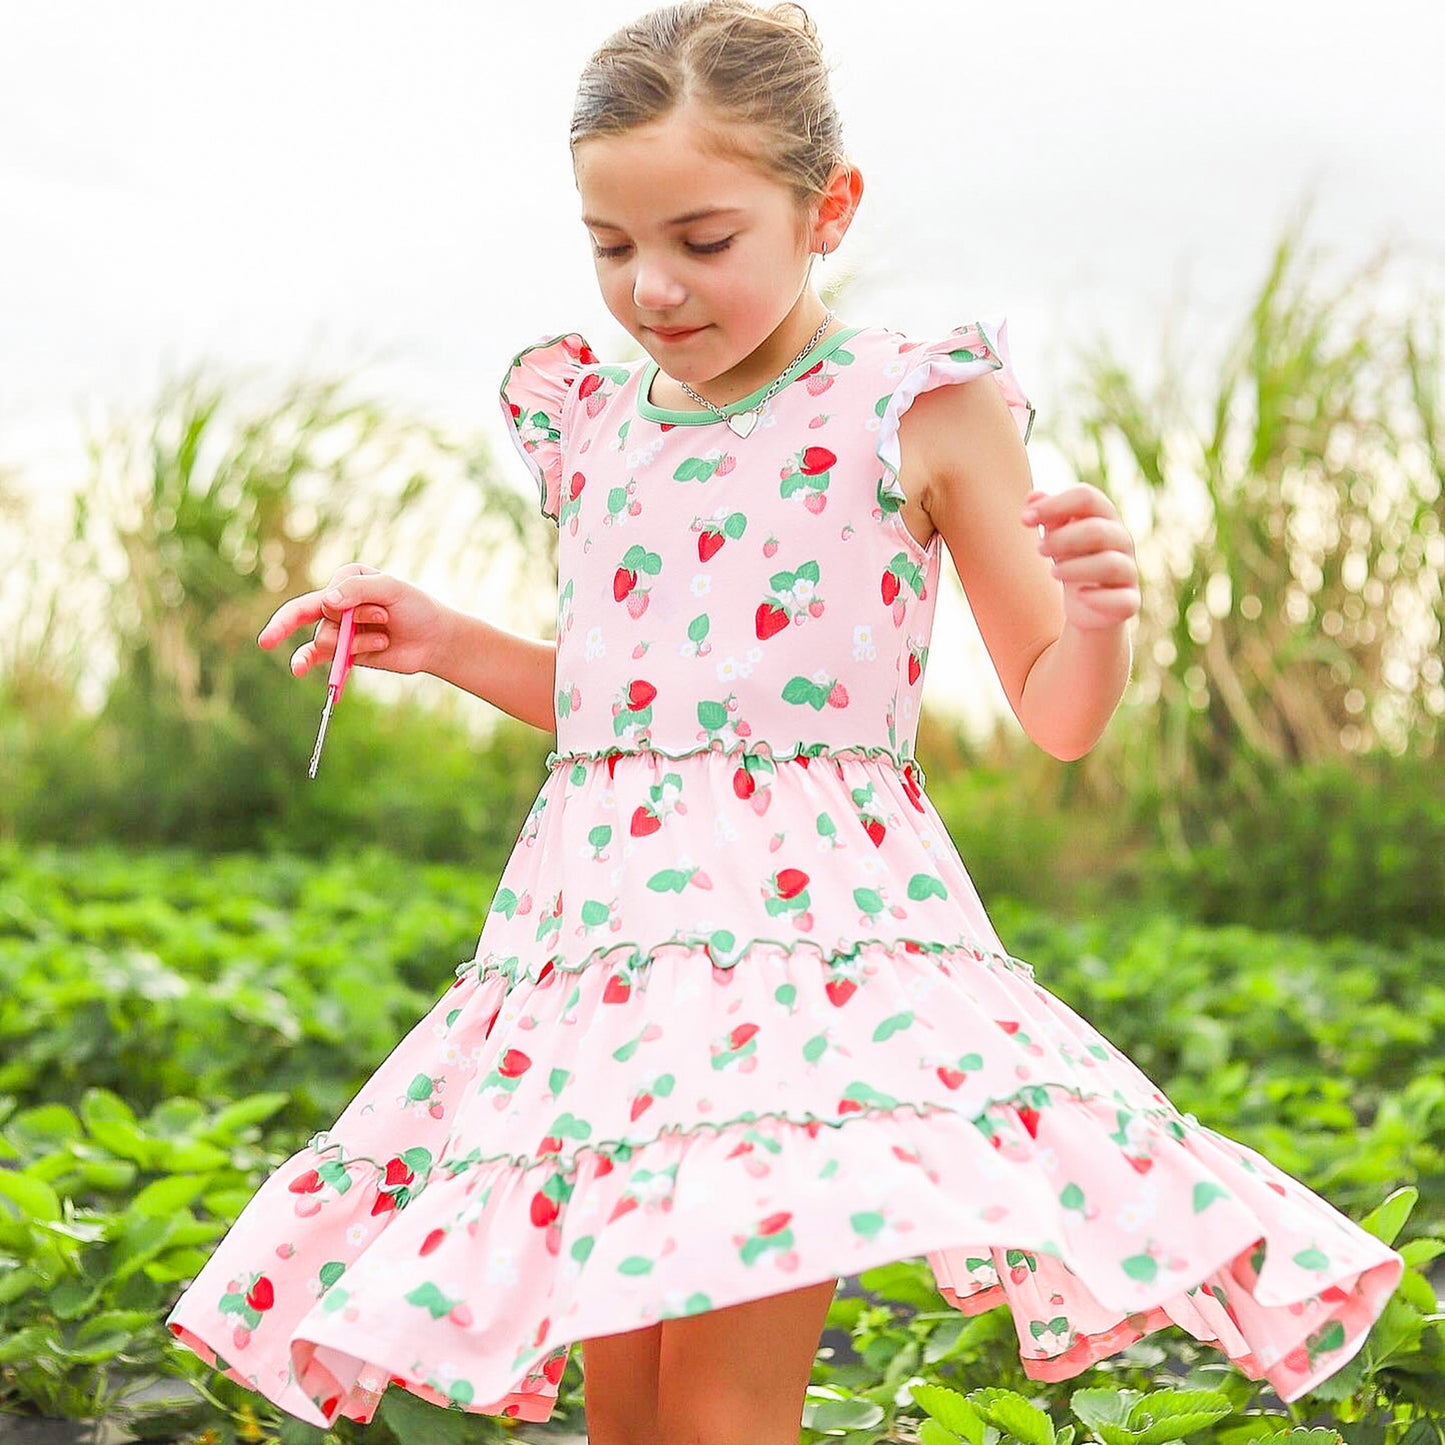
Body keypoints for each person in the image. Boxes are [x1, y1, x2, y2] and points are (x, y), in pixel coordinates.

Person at [163, 2, 1404, 1440]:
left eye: (702, 241)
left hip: (798, 951)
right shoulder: (595, 421)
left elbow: (1058, 717)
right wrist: (446, 644)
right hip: (599, 949)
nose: (652, 291)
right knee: (624, 1409)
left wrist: (1106, 619)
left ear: (829, 211)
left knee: (721, 1414)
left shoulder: (910, 405)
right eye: (610, 245)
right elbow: (620, 705)